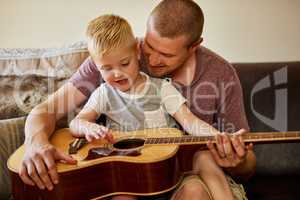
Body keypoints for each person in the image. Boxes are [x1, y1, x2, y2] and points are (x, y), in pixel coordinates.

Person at [19, 0, 256, 199]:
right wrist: (36, 141)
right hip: (127, 176)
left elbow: (247, 165)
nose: (151, 60)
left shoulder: (220, 75)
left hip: (180, 174)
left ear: (194, 46)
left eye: (166, 55)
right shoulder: (116, 56)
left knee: (197, 181)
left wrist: (237, 156)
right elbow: (46, 111)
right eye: (149, 46)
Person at [69, 14, 234, 200]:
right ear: (96, 67)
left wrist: (218, 136)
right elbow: (77, 123)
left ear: (137, 53)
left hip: (170, 173)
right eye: (106, 68)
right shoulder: (103, 94)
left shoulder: (162, 88)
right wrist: (87, 126)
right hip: (127, 179)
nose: (116, 73)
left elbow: (189, 121)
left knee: (195, 188)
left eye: (124, 63)